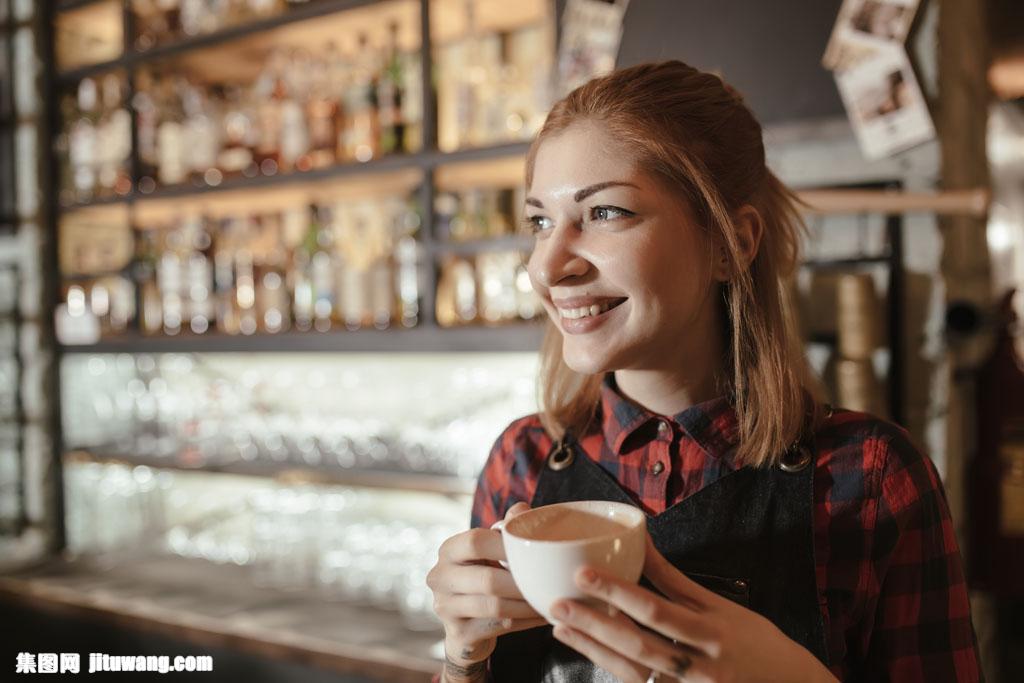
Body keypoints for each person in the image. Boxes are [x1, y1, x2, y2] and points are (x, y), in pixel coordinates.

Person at [426, 60, 981, 682]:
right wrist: (460, 658)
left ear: (731, 242)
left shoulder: (871, 477)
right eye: (540, 222)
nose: (548, 267)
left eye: (606, 212)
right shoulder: (520, 461)